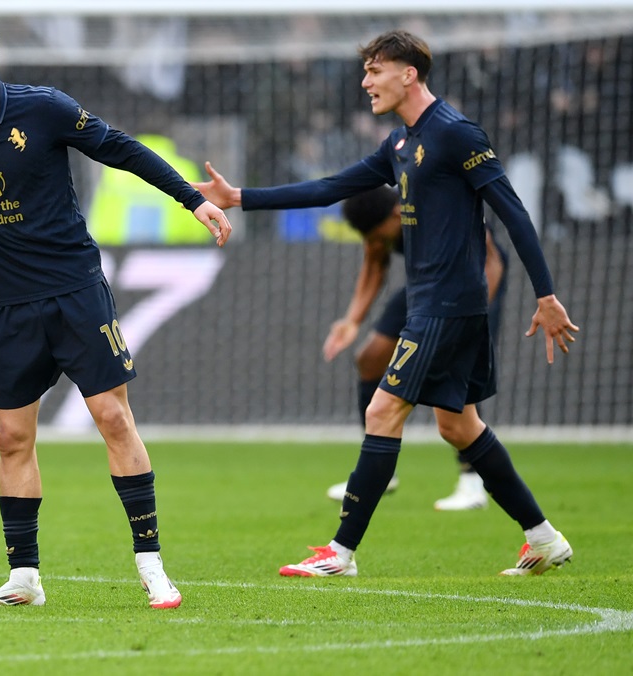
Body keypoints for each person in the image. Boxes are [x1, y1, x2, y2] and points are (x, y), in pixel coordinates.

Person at [192, 30, 579, 577]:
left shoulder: (457, 134)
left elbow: (513, 213)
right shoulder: (399, 143)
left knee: (381, 411)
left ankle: (340, 553)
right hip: (431, 301)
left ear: (408, 74)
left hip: (448, 303)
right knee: (458, 427)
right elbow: (331, 187)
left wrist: (546, 295)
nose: (365, 82)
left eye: (375, 71)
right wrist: (239, 197)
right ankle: (543, 538)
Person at [0, 16, 231, 609]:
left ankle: (152, 566)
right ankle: (24, 578)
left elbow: (122, 149)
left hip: (74, 289)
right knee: (11, 437)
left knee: (112, 417)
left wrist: (192, 200)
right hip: (8, 304)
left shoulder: (43, 108)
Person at [322, 185, 510, 511]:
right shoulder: (378, 221)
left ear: (398, 214)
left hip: (475, 278)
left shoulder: (440, 207)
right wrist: (352, 320)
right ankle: (379, 473)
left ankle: (472, 483)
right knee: (370, 358)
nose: (375, 243)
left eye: (377, 236)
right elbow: (374, 264)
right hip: (426, 282)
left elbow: (492, 262)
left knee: (458, 371)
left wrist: (471, 320)